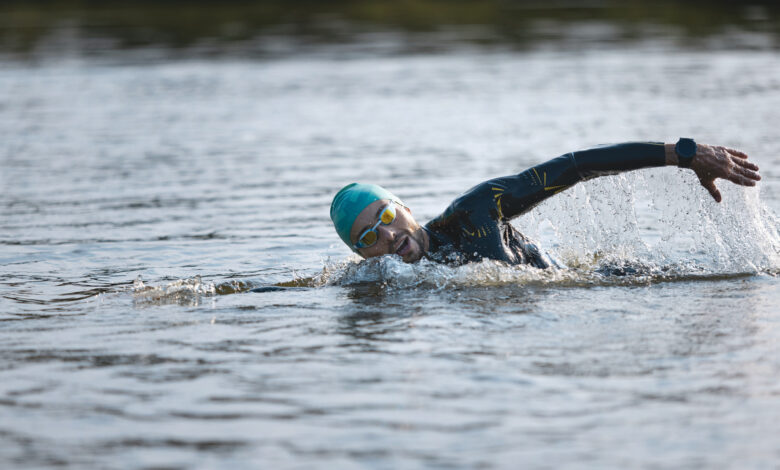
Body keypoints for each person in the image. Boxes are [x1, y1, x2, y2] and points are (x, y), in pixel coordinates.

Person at [330, 139, 761, 266]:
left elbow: (573, 166)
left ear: (403, 207)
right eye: (369, 235)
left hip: (606, 284)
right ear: (361, 254)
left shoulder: (477, 209)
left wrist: (683, 154)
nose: (387, 234)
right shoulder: (376, 288)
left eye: (385, 216)